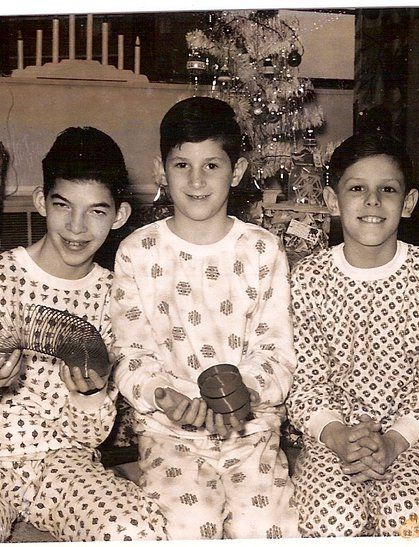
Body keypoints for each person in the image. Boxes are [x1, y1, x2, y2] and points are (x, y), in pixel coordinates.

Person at [0, 127, 168, 542]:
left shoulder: (116, 295)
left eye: (96, 211)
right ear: (42, 202)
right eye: (64, 205)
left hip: (65, 462)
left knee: (136, 528)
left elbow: (91, 437)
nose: (77, 227)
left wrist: (88, 395)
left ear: (119, 216)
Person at [110, 96, 298, 540]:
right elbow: (129, 352)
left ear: (237, 171)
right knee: (187, 527)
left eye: (212, 165)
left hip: (251, 430)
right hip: (169, 432)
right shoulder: (138, 252)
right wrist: (165, 397)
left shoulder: (262, 249)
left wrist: (245, 394)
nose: (196, 180)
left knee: (268, 527)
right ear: (161, 170)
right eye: (182, 166)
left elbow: (276, 349)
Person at [286, 132, 419, 537]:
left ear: (408, 203)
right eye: (356, 189)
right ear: (333, 202)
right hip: (329, 437)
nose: (372, 201)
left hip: (410, 438)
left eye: (387, 190)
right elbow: (305, 382)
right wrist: (338, 436)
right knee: (332, 519)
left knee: (411, 521)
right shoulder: (308, 279)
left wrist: (396, 442)